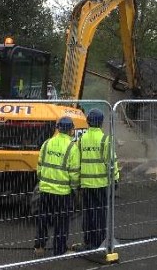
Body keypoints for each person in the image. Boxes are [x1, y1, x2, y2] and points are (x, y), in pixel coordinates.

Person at [34, 116, 80, 256]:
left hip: (45, 190)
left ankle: (39, 247)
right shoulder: (73, 147)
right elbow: (74, 172)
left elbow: (40, 167)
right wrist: (74, 189)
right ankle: (59, 249)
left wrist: (44, 182)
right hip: (62, 193)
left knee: (43, 219)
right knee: (61, 222)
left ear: (58, 128)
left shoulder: (47, 143)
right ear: (71, 130)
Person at [74, 108, 119, 252]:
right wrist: (116, 180)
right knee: (100, 214)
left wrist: (77, 182)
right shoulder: (105, 139)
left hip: (86, 184)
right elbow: (112, 163)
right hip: (101, 185)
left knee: (88, 214)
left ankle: (88, 242)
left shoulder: (81, 140)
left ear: (87, 121)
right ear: (101, 123)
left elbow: (77, 162)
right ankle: (100, 242)